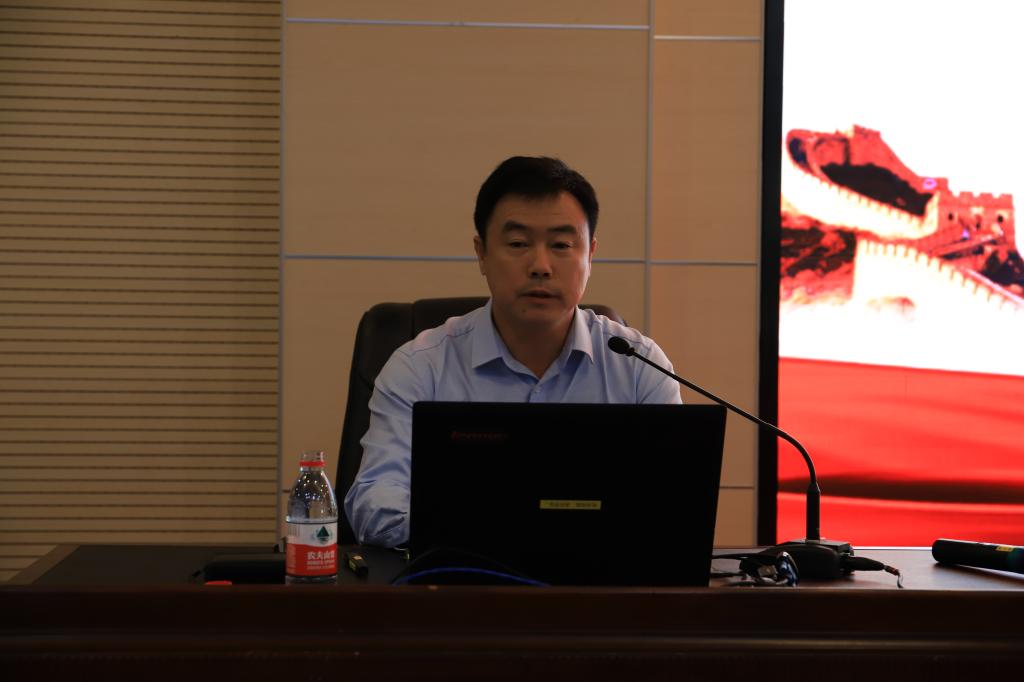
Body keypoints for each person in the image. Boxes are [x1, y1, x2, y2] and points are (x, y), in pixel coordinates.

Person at [344, 156, 682, 547]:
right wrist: (497, 526)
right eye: (518, 244)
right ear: (482, 253)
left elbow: (674, 506)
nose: (540, 266)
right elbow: (374, 505)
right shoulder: (421, 367)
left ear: (590, 255)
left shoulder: (639, 368)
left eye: (561, 245)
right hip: (459, 580)